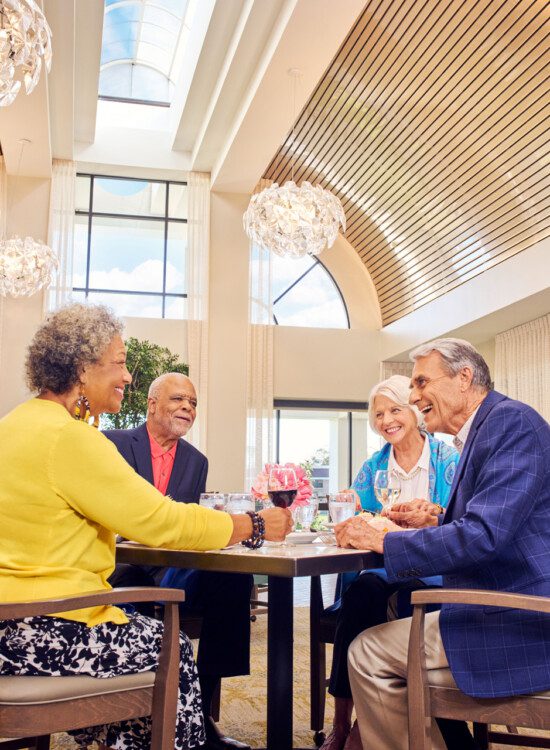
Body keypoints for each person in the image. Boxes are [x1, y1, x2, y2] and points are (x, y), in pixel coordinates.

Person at [0, 303, 292, 750]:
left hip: (12, 622)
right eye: (119, 363)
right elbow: (161, 520)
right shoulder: (70, 437)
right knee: (168, 647)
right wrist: (251, 524)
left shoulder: (14, 425)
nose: (128, 376)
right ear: (82, 368)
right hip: (40, 626)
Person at [335, 338, 550, 750]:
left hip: (520, 617)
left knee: (367, 654)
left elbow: (483, 535)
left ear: (464, 377)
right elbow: (501, 521)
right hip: (496, 600)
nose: (414, 397)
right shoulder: (490, 427)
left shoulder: (510, 425)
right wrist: (435, 518)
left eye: (420, 382)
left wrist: (383, 539)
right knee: (374, 621)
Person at [104, 372, 254, 750]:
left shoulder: (196, 460)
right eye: (177, 400)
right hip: (124, 565)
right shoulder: (114, 443)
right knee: (130, 594)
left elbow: (188, 520)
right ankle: (129, 717)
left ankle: (201, 711)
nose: (187, 407)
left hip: (173, 566)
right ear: (152, 404)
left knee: (234, 578)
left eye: (193, 402)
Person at [321, 375, 458, 750]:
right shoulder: (376, 464)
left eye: (394, 409)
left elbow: (458, 522)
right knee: (362, 591)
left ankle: (375, 721)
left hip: (432, 570)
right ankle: (341, 723)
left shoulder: (448, 459)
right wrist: (350, 505)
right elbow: (354, 512)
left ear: (413, 410)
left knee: (409, 596)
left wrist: (433, 514)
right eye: (379, 414)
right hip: (384, 566)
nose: (386, 420)